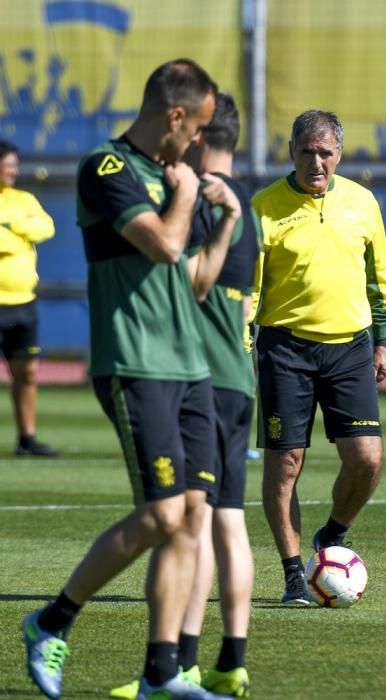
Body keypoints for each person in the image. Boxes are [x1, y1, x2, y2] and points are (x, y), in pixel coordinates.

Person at [20, 59, 241, 700]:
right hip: (136, 363)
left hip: (192, 368)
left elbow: (196, 280)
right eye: (195, 129)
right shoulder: (108, 168)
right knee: (163, 512)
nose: (200, 142)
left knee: (192, 516)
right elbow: (166, 247)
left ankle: (160, 674)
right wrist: (186, 197)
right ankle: (51, 621)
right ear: (175, 117)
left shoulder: (179, 176)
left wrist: (222, 220)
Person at [109, 94, 260, 700]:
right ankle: (232, 661)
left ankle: (183, 664)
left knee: (195, 525)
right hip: (240, 375)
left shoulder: (201, 199)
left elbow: (188, 284)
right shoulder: (244, 205)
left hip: (205, 377)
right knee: (228, 520)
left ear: (197, 138)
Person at [252, 109, 386, 605]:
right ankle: (294, 573)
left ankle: (331, 537)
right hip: (284, 347)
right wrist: (240, 346)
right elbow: (249, 290)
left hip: (350, 347)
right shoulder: (263, 207)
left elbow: (379, 276)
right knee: (286, 462)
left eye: (326, 152)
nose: (316, 161)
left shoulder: (362, 202)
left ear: (339, 154)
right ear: (290, 151)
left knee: (367, 459)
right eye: (307, 151)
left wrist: (384, 339)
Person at [0, 139, 60, 457]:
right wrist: (15, 235)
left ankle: (27, 439)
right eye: (7, 164)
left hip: (23, 301)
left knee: (28, 372)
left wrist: (14, 225)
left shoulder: (24, 199)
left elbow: (46, 228)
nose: (13, 170)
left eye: (14, 164)